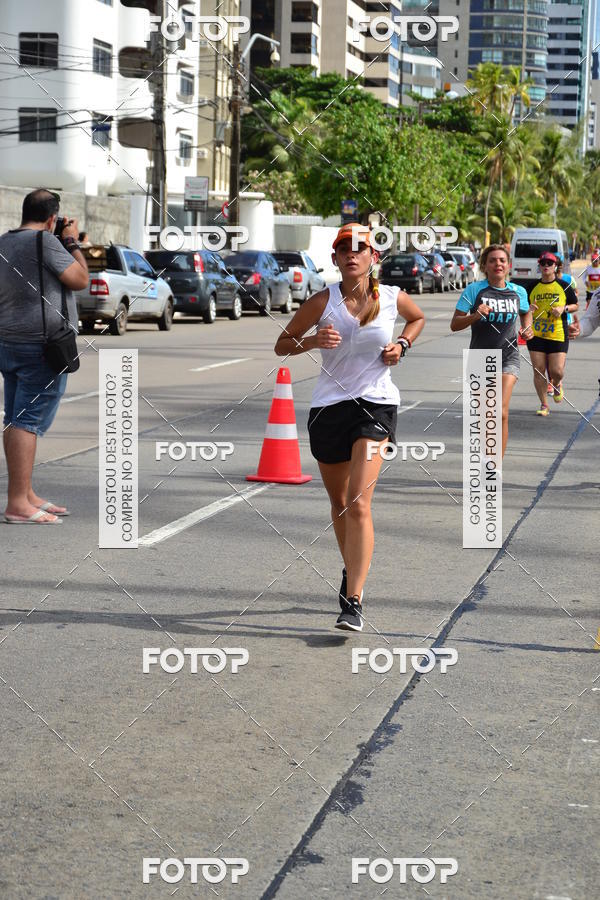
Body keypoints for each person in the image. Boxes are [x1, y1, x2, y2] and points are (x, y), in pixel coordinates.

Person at [274, 223, 425, 631]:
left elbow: (417, 319)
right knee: (340, 503)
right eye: (345, 249)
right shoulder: (323, 301)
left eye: (361, 249)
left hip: (376, 406)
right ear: (336, 258)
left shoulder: (392, 297)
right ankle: (351, 569)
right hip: (328, 408)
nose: (353, 254)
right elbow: (282, 344)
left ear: (373, 258)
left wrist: (403, 346)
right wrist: (313, 341)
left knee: (359, 501)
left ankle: (354, 600)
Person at [0, 188, 88, 523]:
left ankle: (25, 493)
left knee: (16, 417)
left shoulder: (4, 242)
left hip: (8, 343)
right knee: (27, 421)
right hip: (42, 347)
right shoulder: (46, 243)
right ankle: (17, 504)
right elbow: (80, 279)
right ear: (52, 218)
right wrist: (71, 242)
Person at [450, 244, 532, 455]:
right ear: (485, 266)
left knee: (500, 412)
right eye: (493, 260)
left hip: (508, 357)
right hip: (480, 357)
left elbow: (525, 313)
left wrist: (527, 329)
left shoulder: (518, 292)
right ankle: (486, 455)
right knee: (485, 415)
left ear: (508, 265)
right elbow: (455, 324)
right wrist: (475, 316)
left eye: (502, 260)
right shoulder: (474, 290)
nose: (498, 264)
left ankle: (494, 468)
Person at [526, 252, 578, 416]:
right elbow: (523, 310)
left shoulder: (564, 285)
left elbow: (575, 305)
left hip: (557, 333)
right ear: (539, 266)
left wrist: (564, 309)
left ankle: (557, 384)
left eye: (550, 263)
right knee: (538, 370)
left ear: (555, 266)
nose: (546, 265)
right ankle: (544, 404)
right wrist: (529, 310)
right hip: (537, 334)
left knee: (557, 371)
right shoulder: (532, 286)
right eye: (543, 263)